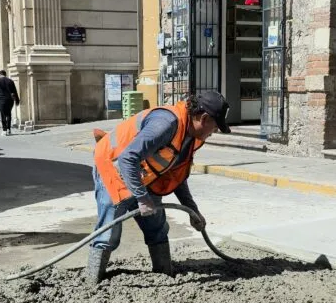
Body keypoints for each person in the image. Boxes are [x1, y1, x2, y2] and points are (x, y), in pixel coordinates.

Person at [85, 90, 230, 284]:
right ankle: (92, 283)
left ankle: (164, 275)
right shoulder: (166, 124)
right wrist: (142, 198)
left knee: (157, 227)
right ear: (203, 118)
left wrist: (193, 211)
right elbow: (128, 158)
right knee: (109, 233)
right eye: (215, 126)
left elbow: (177, 175)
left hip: (143, 175)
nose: (215, 132)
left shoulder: (191, 136)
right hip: (113, 166)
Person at [0, 70, 19, 135]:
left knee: (3, 114)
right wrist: (17, 100)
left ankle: (4, 130)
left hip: (2, 100)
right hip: (10, 100)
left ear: (0, 75)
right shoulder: (10, 81)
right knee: (9, 114)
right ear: (5, 74)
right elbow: (15, 91)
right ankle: (9, 129)